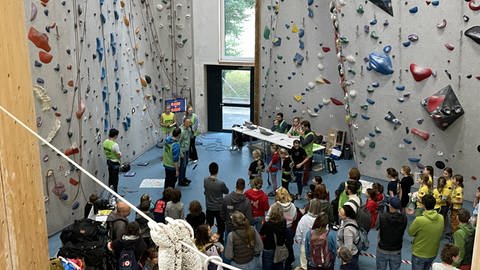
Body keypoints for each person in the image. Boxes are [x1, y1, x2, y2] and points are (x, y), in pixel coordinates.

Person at [408, 194, 444, 270]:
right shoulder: (441, 218)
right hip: (433, 253)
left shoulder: (419, 220)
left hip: (419, 253)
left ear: (423, 205)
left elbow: (410, 233)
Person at [267, 187, 299, 270]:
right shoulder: (292, 206)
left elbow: (267, 218)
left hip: (276, 230)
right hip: (289, 230)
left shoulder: (274, 206)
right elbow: (295, 218)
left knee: (277, 249)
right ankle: (288, 264)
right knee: (289, 247)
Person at [375, 197, 408, 270]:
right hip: (396, 250)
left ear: (390, 206)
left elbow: (376, 226)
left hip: (382, 249)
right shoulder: (404, 218)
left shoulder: (382, 216)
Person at [204, 162, 229, 243]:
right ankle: (220, 240)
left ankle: (207, 238)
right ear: (217, 171)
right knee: (221, 225)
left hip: (209, 207)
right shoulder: (221, 183)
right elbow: (226, 191)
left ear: (209, 170)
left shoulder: (205, 180)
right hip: (219, 208)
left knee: (208, 225)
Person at [295, 199, 323, 270]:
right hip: (319, 247)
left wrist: (299, 242)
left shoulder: (304, 218)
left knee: (304, 266)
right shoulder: (322, 219)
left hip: (304, 245)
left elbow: (298, 233)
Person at [260, 203, 288, 270]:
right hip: (280, 247)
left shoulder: (267, 224)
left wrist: (263, 224)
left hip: (268, 248)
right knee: (279, 265)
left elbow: (261, 233)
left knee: (267, 266)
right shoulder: (284, 221)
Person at [337, 203, 360, 270]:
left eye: (341, 213)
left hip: (349, 257)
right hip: (353, 253)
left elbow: (348, 249)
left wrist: (341, 255)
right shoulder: (351, 221)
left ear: (346, 216)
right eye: (339, 211)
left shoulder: (348, 230)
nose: (339, 214)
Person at [299, 120, 315, 185]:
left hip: (307, 154)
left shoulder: (310, 135)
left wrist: (300, 136)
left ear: (307, 127)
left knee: (306, 170)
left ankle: (304, 182)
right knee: (302, 167)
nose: (301, 129)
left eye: (302, 128)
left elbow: (303, 144)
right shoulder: (305, 132)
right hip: (303, 153)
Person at [178, 117, 193, 186]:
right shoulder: (181, 131)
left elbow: (191, 137)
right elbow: (178, 143)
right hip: (182, 151)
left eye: (189, 122)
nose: (188, 124)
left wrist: (191, 129)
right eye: (187, 122)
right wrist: (181, 153)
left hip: (187, 150)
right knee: (182, 166)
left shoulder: (188, 129)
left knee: (185, 165)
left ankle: (183, 178)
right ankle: (180, 181)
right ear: (184, 122)